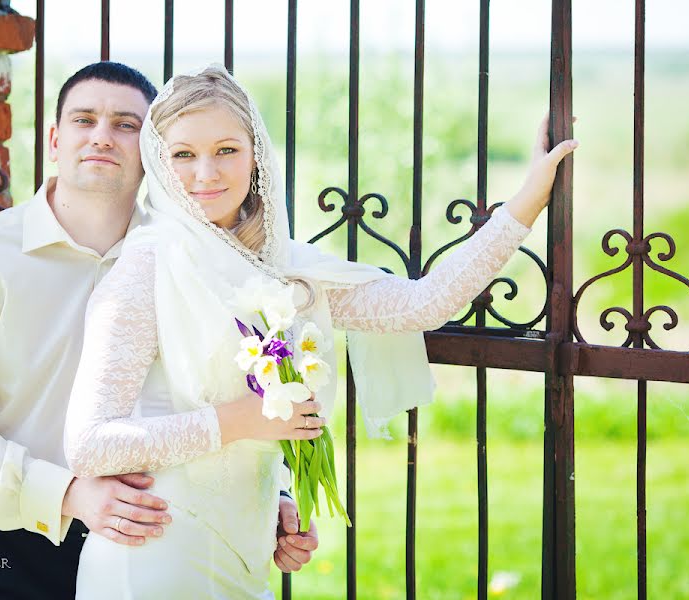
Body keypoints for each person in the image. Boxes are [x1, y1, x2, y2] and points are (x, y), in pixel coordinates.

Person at [65, 64, 578, 598]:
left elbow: (421, 304)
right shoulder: (146, 265)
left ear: (256, 154)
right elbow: (90, 446)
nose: (206, 174)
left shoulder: (285, 269)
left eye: (226, 150)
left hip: (245, 558)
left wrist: (530, 199)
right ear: (160, 162)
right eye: (184, 155)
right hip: (155, 556)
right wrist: (242, 420)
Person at [0, 62, 317, 600]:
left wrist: (274, 499)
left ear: (152, 152)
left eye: (126, 124)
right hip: (8, 545)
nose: (102, 135)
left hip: (156, 539)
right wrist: (68, 494)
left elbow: (231, 390)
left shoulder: (196, 257)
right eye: (85, 119)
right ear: (56, 139)